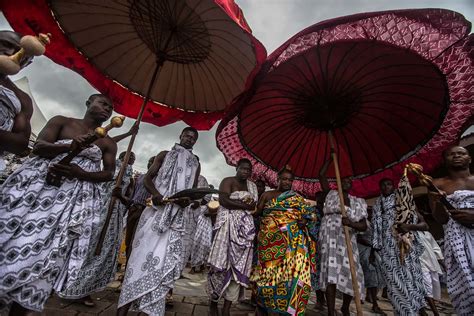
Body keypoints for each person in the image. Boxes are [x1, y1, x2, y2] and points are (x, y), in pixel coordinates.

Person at [0, 93, 117, 315]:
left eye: (110, 108)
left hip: (72, 205)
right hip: (39, 194)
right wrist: (69, 147)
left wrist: (81, 173)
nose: (107, 109)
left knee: (48, 256)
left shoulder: (108, 142)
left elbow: (109, 174)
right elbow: (39, 147)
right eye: (103, 103)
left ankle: (21, 307)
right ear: (88, 103)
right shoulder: (62, 122)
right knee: (19, 243)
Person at [117, 127, 200, 316]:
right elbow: (147, 178)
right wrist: (156, 195)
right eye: (187, 135)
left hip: (176, 219)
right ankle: (123, 308)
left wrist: (187, 200)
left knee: (163, 262)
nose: (189, 139)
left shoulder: (195, 163)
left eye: (193, 138)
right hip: (154, 214)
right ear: (180, 135)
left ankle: (149, 309)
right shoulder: (165, 154)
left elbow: (193, 190)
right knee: (138, 259)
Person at [56, 151, 136, 305]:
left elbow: (128, 200)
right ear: (120, 158)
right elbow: (97, 184)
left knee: (104, 250)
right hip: (98, 209)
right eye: (128, 157)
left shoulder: (129, 179)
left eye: (133, 158)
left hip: (115, 214)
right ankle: (70, 284)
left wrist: (120, 196)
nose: (131, 160)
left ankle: (85, 289)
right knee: (87, 246)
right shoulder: (110, 170)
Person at [251, 166, 316, 315]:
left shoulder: (297, 198)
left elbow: (311, 215)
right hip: (269, 243)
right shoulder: (267, 195)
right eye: (284, 179)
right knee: (266, 276)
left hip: (292, 244)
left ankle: (284, 309)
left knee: (289, 278)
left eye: (290, 180)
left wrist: (304, 222)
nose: (287, 182)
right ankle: (261, 307)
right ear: (278, 179)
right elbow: (257, 212)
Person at [207, 158, 258, 316]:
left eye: (248, 170)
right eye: (243, 169)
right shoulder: (227, 181)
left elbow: (253, 206)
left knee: (239, 266)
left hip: (245, 230)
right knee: (220, 266)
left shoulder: (252, 186)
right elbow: (224, 201)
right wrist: (244, 206)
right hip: (227, 227)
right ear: (237, 168)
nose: (245, 172)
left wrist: (245, 207)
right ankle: (213, 303)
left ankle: (227, 308)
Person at [318, 160, 368, 316]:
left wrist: (351, 223)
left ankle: (345, 306)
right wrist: (331, 159)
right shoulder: (331, 194)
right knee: (330, 273)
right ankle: (331, 312)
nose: (346, 182)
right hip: (329, 237)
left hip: (348, 239)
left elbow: (364, 226)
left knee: (353, 272)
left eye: (349, 180)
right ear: (338, 181)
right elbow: (321, 175)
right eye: (344, 179)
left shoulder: (358, 202)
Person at [372, 178, 428, 315]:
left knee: (412, 279)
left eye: (389, 184)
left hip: (405, 245)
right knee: (394, 283)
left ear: (393, 186)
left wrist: (408, 226)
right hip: (387, 249)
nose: (386, 186)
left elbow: (424, 225)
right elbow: (375, 230)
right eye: (383, 184)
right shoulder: (377, 205)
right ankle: (404, 312)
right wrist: (375, 249)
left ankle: (419, 309)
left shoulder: (404, 201)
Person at [430, 145, 474, 315]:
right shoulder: (437, 184)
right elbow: (440, 219)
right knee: (466, 289)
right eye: (451, 154)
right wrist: (439, 202)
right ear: (445, 160)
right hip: (456, 241)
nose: (456, 156)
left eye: (461, 153)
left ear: (469, 158)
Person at [0, 31, 33, 171]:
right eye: (6, 44)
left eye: (22, 53)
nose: (12, 53)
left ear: (26, 63)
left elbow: (20, 144)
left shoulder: (22, 99)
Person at [356, 206, 385, 314]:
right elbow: (358, 237)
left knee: (377, 272)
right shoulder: (363, 222)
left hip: (372, 250)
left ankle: (369, 296)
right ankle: (374, 304)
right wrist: (371, 245)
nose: (372, 214)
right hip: (363, 250)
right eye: (370, 212)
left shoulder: (374, 224)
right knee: (370, 272)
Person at [189, 176, 214, 274]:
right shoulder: (196, 204)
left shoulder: (210, 205)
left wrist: (209, 213)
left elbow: (212, 214)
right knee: (195, 244)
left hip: (205, 226)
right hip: (197, 225)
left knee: (206, 245)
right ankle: (194, 266)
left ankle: (203, 264)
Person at [418, 231, 444, 316]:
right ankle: (436, 313)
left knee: (433, 286)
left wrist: (443, 265)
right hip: (420, 264)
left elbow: (435, 248)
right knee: (427, 288)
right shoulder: (411, 233)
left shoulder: (428, 234)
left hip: (432, 263)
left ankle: (421, 310)